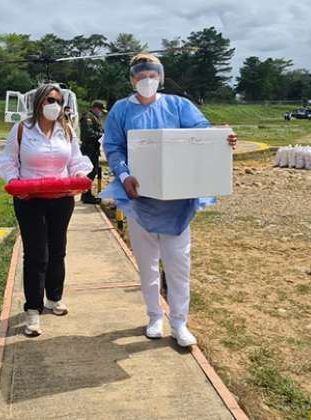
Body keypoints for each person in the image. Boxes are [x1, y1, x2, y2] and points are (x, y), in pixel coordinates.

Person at [102, 53, 238, 347]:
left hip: (177, 201)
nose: (146, 80)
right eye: (140, 75)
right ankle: (154, 316)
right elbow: (113, 147)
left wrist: (223, 138)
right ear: (131, 79)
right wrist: (124, 175)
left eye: (152, 74)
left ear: (160, 77)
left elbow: (201, 135)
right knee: (148, 264)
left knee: (179, 265)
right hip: (139, 200)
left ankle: (179, 322)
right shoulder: (121, 110)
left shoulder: (178, 105)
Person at [0, 84, 93, 337]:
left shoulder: (66, 130)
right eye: (50, 99)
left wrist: (80, 176)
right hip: (30, 200)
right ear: (39, 102)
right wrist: (15, 184)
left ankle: (54, 297)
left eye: (59, 101)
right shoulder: (21, 130)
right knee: (37, 254)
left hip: (61, 199)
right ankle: (33, 310)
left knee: (58, 249)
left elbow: (75, 161)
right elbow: (8, 162)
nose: (55, 105)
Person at [79, 100, 107, 204]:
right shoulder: (88, 118)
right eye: (100, 110)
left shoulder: (95, 118)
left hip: (93, 149)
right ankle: (86, 195)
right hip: (88, 149)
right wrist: (101, 135)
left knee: (93, 171)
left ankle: (87, 194)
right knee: (89, 172)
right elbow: (88, 134)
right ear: (96, 108)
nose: (101, 113)